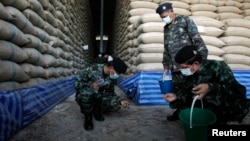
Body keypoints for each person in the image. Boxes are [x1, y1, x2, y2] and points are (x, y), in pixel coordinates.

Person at [163, 45, 249, 125]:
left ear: (196, 64)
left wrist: (210, 87)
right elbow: (188, 92)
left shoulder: (218, 67)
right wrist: (177, 96)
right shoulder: (186, 74)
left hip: (222, 105)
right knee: (185, 110)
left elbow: (238, 91)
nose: (182, 70)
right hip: (202, 104)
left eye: (184, 67)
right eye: (180, 67)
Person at [156, 2, 208, 120]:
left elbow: (197, 41)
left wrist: (201, 61)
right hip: (174, 66)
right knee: (179, 89)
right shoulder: (166, 28)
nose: (164, 19)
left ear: (172, 12)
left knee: (192, 88)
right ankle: (180, 112)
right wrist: (165, 63)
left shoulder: (185, 20)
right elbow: (166, 47)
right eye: (162, 18)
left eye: (165, 16)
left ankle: (193, 113)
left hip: (188, 64)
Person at [74, 57, 129, 130]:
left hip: (100, 95)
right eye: (117, 73)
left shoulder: (112, 77)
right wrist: (90, 85)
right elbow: (76, 84)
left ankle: (97, 110)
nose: (117, 75)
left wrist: (120, 101)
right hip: (88, 93)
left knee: (115, 105)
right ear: (111, 67)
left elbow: (110, 92)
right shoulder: (91, 69)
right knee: (88, 93)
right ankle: (88, 117)